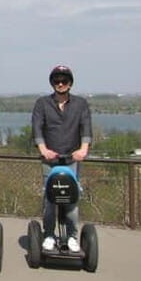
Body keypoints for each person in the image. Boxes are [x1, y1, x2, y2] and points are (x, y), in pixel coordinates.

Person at [31, 65, 92, 253]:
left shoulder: (80, 104)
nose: (60, 83)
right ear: (52, 83)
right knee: (50, 200)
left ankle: (72, 236)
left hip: (71, 160)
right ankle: (49, 234)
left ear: (70, 83)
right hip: (50, 160)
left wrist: (83, 149)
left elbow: (86, 128)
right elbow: (37, 128)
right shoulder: (42, 104)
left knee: (71, 200)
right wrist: (43, 149)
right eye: (57, 80)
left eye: (64, 80)